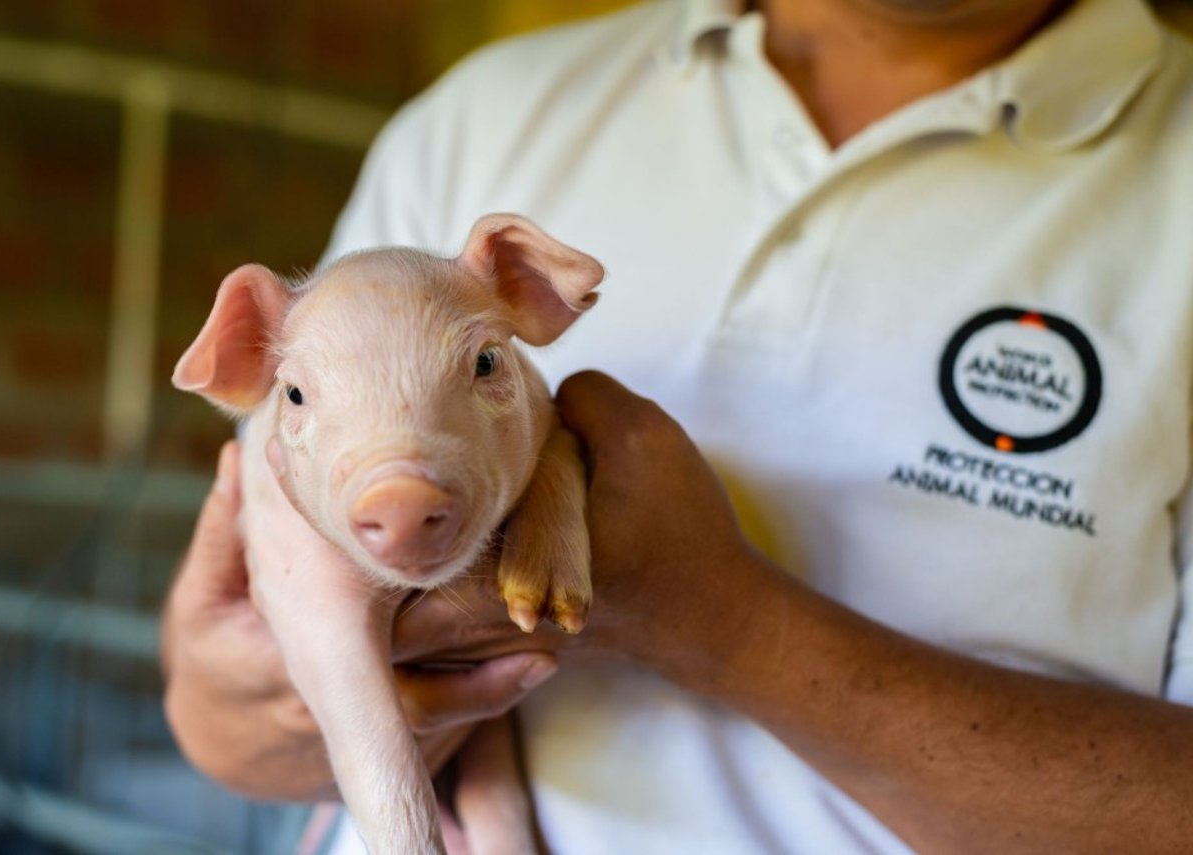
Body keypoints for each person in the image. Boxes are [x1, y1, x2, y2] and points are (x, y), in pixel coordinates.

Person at [162, 0, 1193, 851]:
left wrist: (721, 621)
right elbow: (224, 723)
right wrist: (276, 694)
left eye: (483, 365)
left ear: (531, 289)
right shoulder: (488, 111)